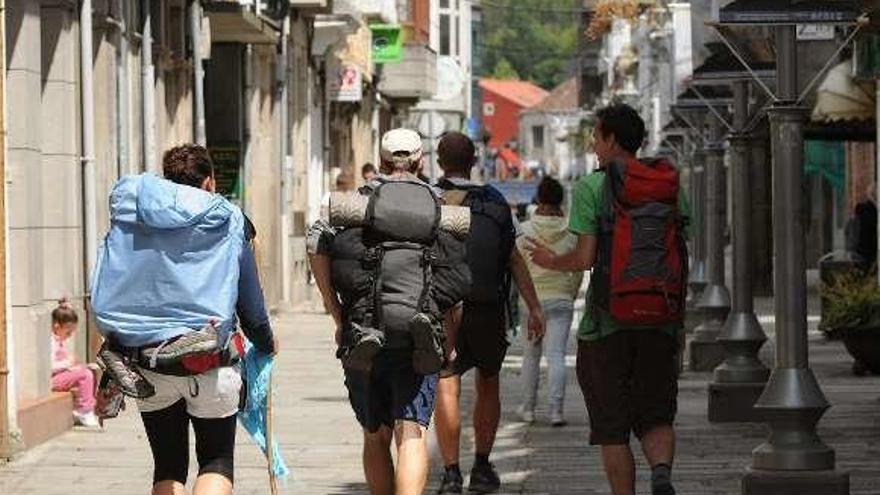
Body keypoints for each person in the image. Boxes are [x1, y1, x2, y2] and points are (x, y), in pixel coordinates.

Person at [93, 144, 277, 495]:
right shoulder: (228, 219)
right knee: (216, 461)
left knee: (168, 466)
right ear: (209, 182)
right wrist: (267, 343)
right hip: (209, 359)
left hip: (147, 362)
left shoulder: (140, 215)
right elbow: (251, 307)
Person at [526, 103, 688, 495]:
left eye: (596, 137)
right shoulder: (668, 185)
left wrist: (550, 260)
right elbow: (681, 249)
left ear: (612, 139)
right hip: (660, 319)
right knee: (656, 415)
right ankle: (662, 473)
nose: (594, 145)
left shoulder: (591, 187)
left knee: (612, 428)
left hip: (607, 324)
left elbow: (583, 260)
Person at [308, 128, 471, 495]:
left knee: (375, 435)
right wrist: (450, 341)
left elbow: (315, 243)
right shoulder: (438, 205)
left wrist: (335, 313)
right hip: (421, 331)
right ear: (420, 161)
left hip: (363, 327)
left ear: (380, 162)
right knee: (410, 432)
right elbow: (454, 283)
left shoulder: (355, 204)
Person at [434, 131, 545, 494]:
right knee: (488, 381)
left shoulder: (429, 198)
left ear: (439, 161)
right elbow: (514, 258)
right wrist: (533, 307)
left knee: (446, 385)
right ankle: (482, 466)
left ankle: (451, 473)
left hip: (444, 308)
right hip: (488, 308)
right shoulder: (495, 200)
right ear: (474, 162)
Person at [516, 177, 583, 427]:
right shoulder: (571, 232)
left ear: (538, 198)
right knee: (556, 355)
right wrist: (572, 293)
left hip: (532, 301)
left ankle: (528, 409)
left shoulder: (525, 231)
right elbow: (577, 268)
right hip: (561, 300)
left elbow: (517, 267)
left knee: (531, 355)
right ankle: (556, 411)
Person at [50, 299, 99, 427]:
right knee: (85, 374)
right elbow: (48, 367)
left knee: (88, 372)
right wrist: (68, 364)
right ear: (57, 326)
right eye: (68, 332)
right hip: (51, 380)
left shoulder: (58, 341)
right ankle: (85, 410)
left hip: (57, 377)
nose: (70, 335)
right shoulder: (51, 342)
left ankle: (86, 407)